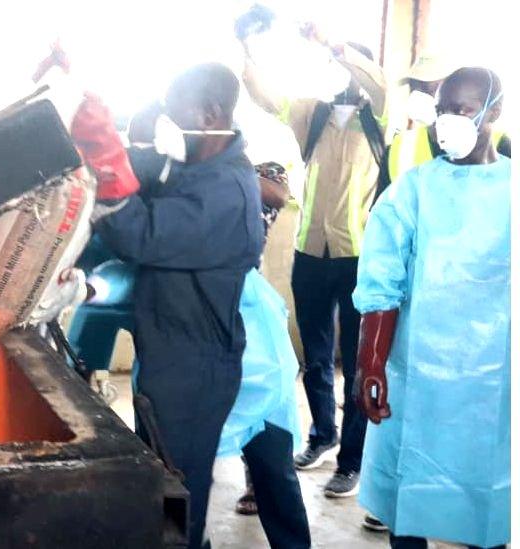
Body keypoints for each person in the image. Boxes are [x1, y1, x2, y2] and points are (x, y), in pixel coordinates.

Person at [71, 63, 264, 548]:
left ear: (210, 114)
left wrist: (105, 156)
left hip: (194, 369)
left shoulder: (227, 194)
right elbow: (144, 172)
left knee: (176, 493)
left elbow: (141, 232)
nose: (166, 128)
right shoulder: (196, 166)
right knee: (164, 481)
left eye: (174, 116)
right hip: (168, 352)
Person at [352, 67, 510, 549]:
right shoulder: (413, 190)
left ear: (493, 112)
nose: (447, 122)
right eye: (442, 111)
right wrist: (370, 361)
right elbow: (382, 281)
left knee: (493, 496)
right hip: (417, 372)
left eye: (461, 110)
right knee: (411, 495)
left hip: (495, 379)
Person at [242, 24, 386, 498]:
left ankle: (352, 461)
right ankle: (323, 435)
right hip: (311, 253)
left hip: (358, 256)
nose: (346, 79)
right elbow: (267, 96)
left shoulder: (381, 117)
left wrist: (339, 45)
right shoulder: (315, 115)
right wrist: (249, 47)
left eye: (353, 69)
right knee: (317, 357)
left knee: (356, 364)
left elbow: (378, 84)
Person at [379, 53, 510, 199]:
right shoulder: (399, 149)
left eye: (433, 89)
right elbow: (382, 216)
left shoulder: (502, 147)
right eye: (416, 88)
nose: (421, 97)